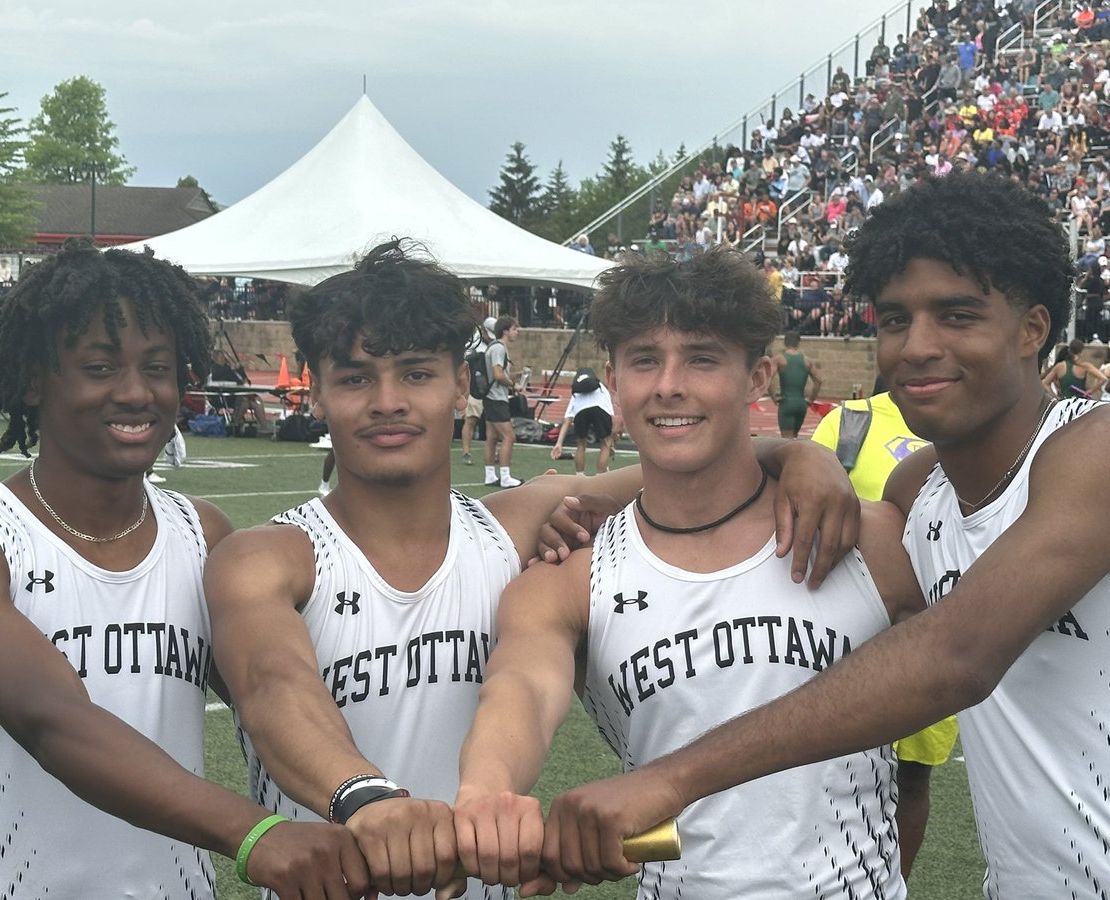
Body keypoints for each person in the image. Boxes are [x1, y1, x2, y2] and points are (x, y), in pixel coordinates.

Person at [201, 239, 860, 900]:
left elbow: (694, 450)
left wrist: (804, 460)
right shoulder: (265, 556)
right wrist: (366, 799)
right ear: (313, 391)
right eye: (354, 378)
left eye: (416, 373)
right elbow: (270, 685)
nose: (388, 400)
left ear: (463, 384)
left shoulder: (511, 527)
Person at [531, 172, 1110, 899]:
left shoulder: (1095, 449)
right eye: (896, 319)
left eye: (957, 315)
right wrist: (788, 452)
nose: (918, 346)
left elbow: (956, 654)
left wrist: (671, 779)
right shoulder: (918, 496)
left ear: (1033, 329)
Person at [451, 247, 921, 899]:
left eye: (701, 358)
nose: (670, 384)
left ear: (756, 377)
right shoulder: (569, 576)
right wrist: (485, 789)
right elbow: (521, 690)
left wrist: (805, 459)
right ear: (614, 381)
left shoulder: (868, 539)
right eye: (645, 360)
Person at [0, 241, 368, 898]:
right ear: (36, 378)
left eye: (157, 368)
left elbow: (278, 690)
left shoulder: (204, 535)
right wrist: (256, 833)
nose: (135, 392)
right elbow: (53, 719)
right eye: (100, 367)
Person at [810, 392, 958, 876]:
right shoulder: (852, 419)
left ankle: (895, 883)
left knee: (912, 780)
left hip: (937, 631)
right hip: (845, 631)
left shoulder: (971, 422)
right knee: (821, 769)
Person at [548, 368, 617, 474]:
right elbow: (611, 415)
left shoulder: (576, 392)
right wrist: (611, 443)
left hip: (581, 412)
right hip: (600, 410)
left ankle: (579, 475)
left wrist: (559, 444)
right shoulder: (602, 388)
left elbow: (567, 420)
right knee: (605, 444)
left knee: (581, 444)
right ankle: (601, 476)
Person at [483, 315, 522, 488]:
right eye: (514, 329)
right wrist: (512, 384)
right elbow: (498, 374)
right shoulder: (499, 348)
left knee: (491, 437)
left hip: (490, 397)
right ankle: (505, 476)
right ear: (505, 331)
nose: (516, 332)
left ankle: (490, 475)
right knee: (509, 436)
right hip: (496, 397)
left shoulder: (492, 347)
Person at [770, 330, 823, 437]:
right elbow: (818, 380)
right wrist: (811, 399)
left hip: (787, 403)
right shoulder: (807, 360)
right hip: (801, 404)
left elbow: (768, 377)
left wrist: (774, 397)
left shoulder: (780, 359)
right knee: (795, 437)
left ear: (785, 342)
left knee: (786, 441)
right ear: (798, 343)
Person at [207, 348, 270, 435]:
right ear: (216, 358)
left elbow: (241, 380)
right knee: (243, 401)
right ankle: (235, 425)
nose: (224, 358)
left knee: (257, 400)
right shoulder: (214, 369)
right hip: (225, 397)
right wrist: (231, 369)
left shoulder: (228, 368)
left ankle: (264, 427)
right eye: (221, 357)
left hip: (238, 394)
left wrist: (239, 369)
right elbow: (216, 375)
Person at [461, 316, 496, 465]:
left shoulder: (493, 345)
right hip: (475, 388)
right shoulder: (475, 344)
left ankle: (492, 454)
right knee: (471, 420)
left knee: (492, 424)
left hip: (489, 389)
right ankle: (466, 452)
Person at [1041, 338, 1108, 397]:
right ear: (1081, 351)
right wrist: (1091, 391)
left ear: (1069, 350)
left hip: (1065, 403)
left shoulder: (1060, 366)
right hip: (1081, 403)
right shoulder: (1085, 366)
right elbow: (1103, 378)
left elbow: (1044, 383)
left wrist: (1055, 397)